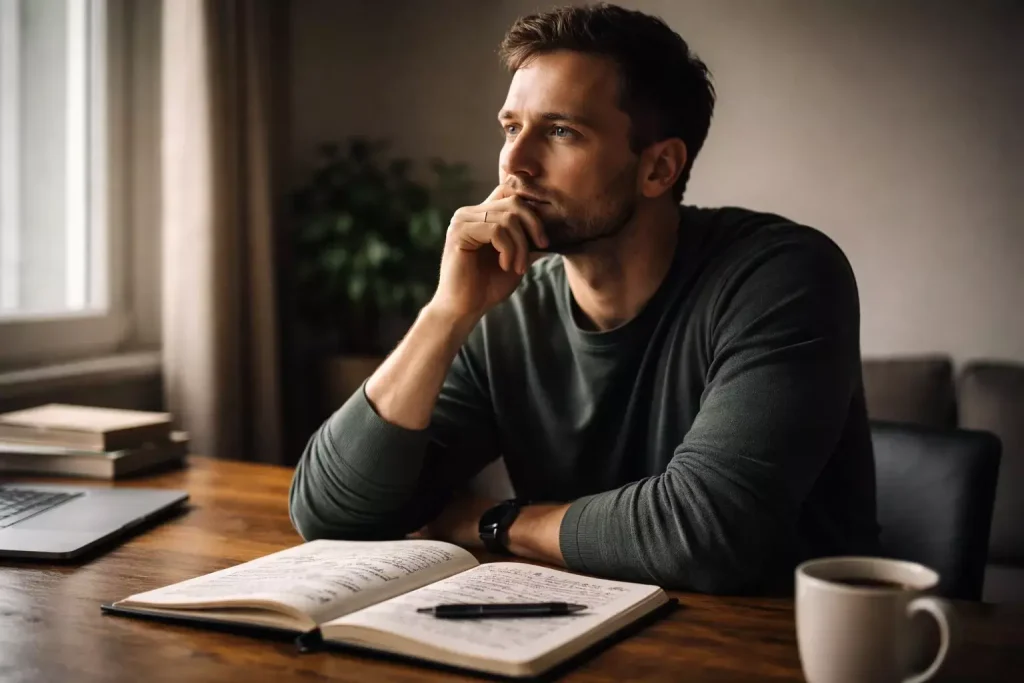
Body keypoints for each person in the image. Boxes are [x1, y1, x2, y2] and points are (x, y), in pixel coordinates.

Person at [289, 3, 880, 594]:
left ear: (659, 168)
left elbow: (707, 533)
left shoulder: (782, 276)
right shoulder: (508, 307)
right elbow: (329, 515)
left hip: (774, 635)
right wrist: (447, 312)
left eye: (561, 131)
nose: (515, 163)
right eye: (512, 128)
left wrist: (495, 522)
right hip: (580, 622)